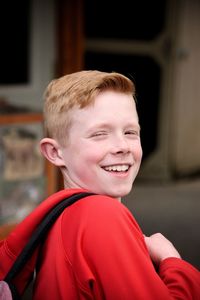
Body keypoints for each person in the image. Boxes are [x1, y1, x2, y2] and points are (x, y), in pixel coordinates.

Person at [0, 70, 200, 299]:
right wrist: (171, 260)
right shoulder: (100, 215)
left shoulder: (60, 216)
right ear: (55, 153)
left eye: (130, 132)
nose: (122, 146)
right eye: (100, 134)